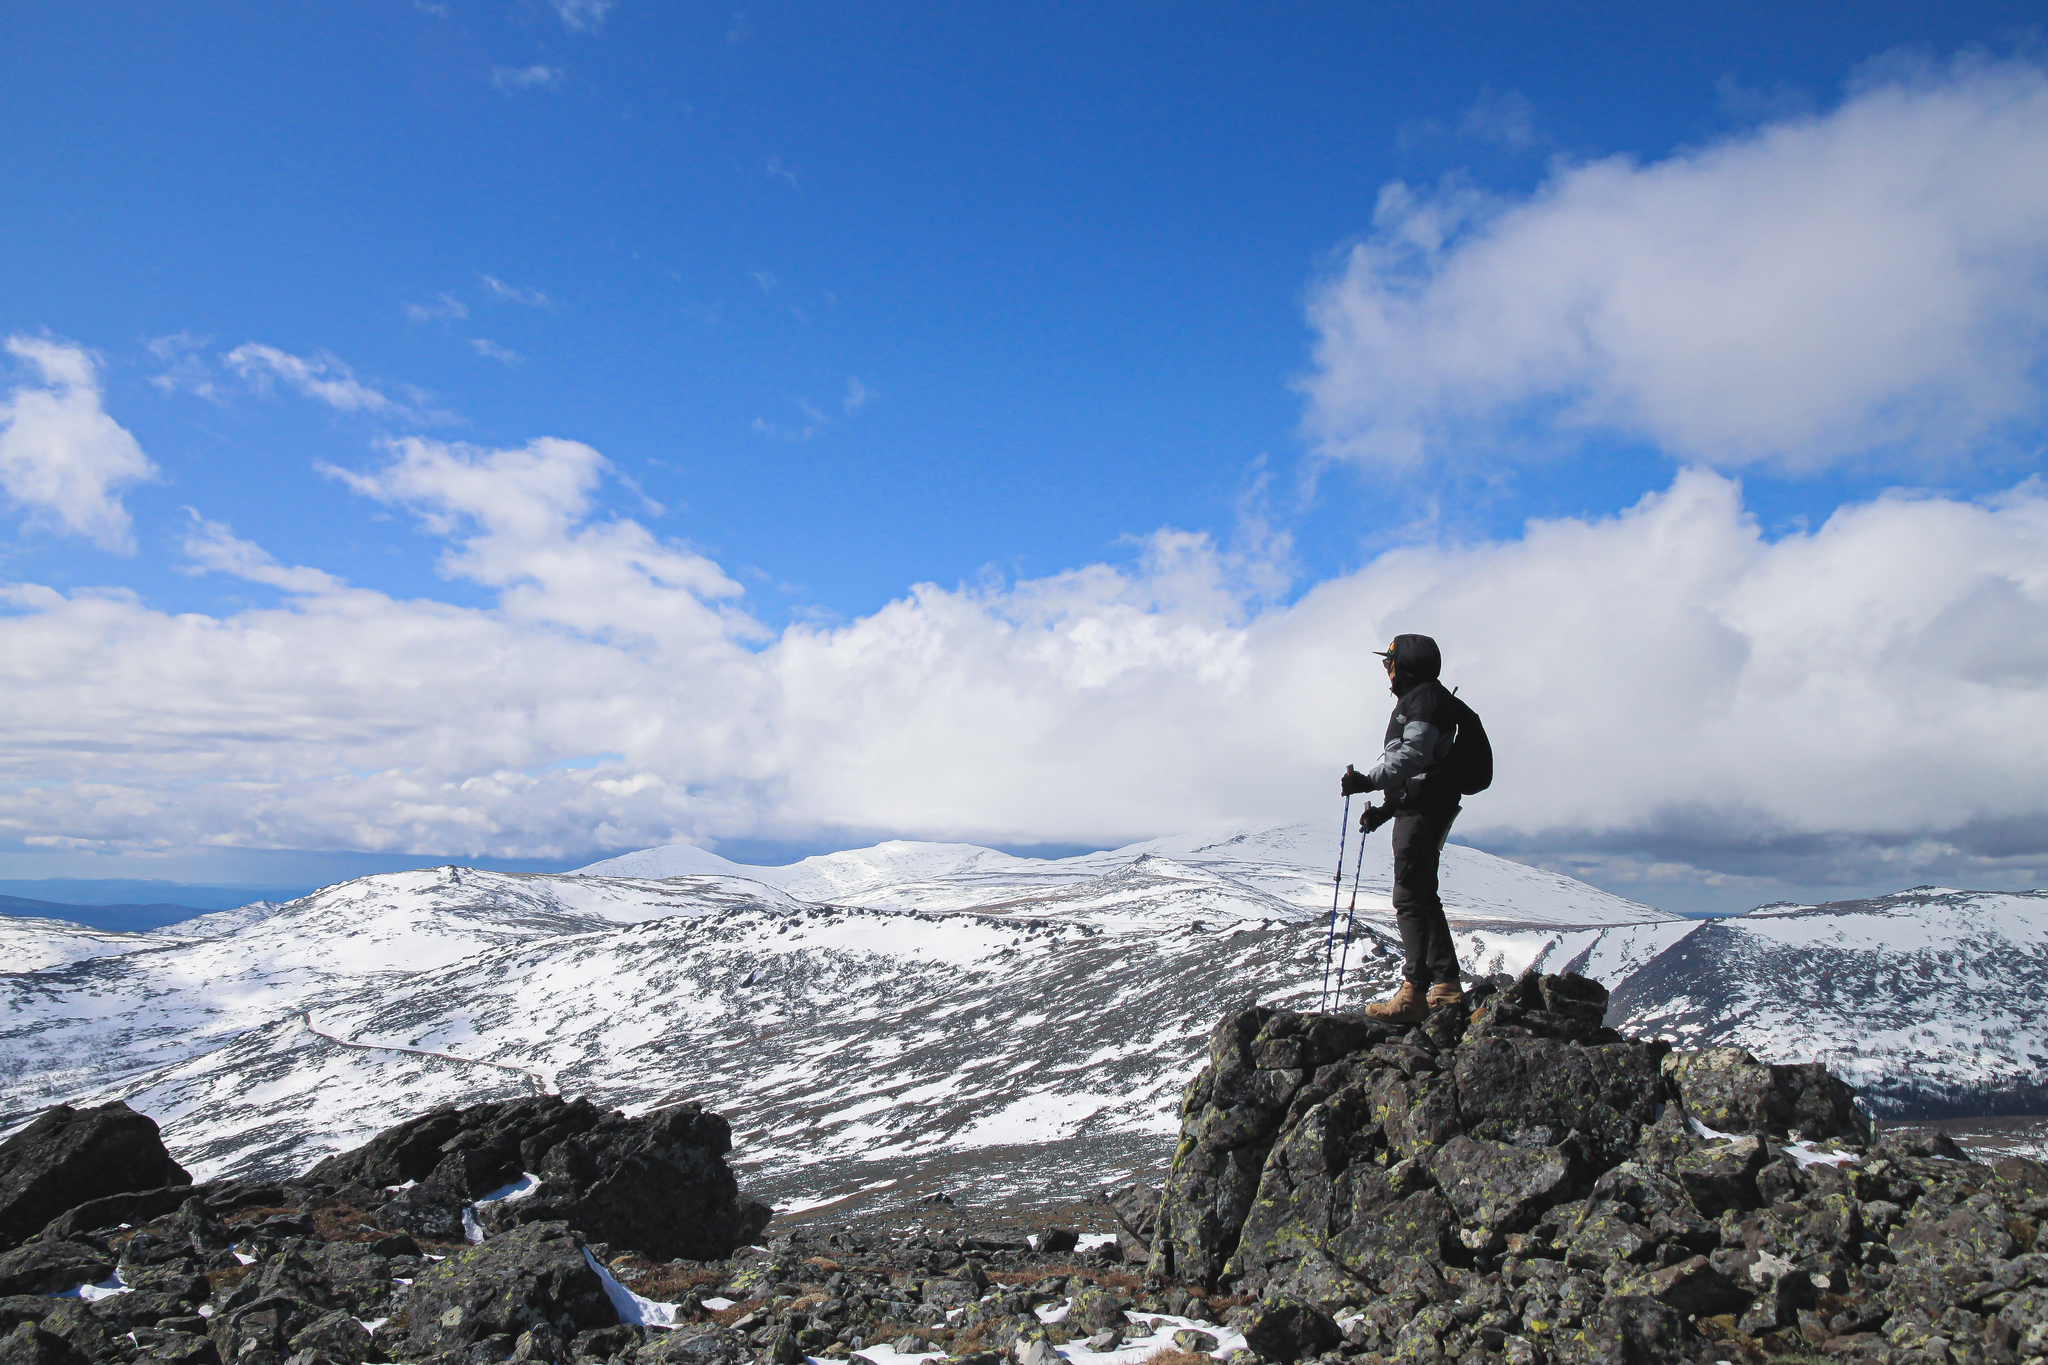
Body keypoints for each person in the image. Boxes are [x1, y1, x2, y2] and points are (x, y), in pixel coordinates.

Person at [1340, 633, 1472, 1024]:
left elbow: (1415, 756)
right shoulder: (1425, 698)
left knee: (1410, 896)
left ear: (1405, 665)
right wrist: (1384, 810)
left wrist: (1368, 780)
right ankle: (1445, 987)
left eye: (1390, 662)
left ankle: (1414, 992)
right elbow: (1423, 765)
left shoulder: (1425, 699)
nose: (1388, 670)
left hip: (1425, 808)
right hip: (1423, 804)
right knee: (1422, 893)